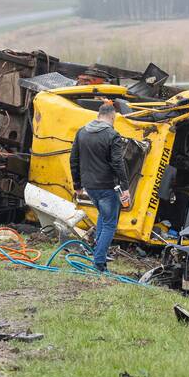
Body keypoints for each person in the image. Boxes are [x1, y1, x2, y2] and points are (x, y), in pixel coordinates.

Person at [69, 101, 131, 272]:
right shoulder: (112, 135)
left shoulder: (82, 132)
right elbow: (118, 163)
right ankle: (99, 263)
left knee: (103, 216)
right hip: (106, 186)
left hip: (90, 186)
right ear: (112, 116)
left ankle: (99, 252)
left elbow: (73, 159)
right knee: (110, 223)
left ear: (98, 115)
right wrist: (125, 187)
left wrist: (77, 184)